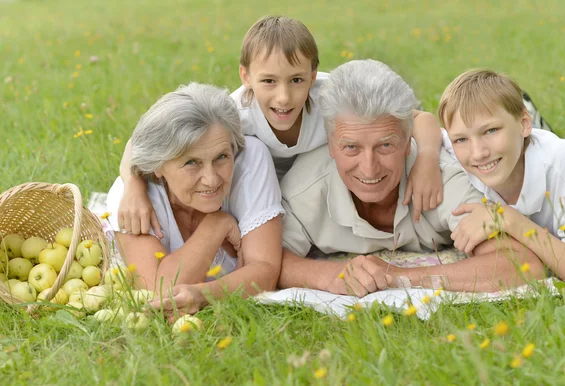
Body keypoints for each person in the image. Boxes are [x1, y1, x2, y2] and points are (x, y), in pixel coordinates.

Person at [116, 16, 445, 238]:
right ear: (245, 77)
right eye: (268, 81)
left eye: (297, 80)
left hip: (322, 191)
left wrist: (427, 160)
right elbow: (140, 141)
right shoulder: (234, 113)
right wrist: (133, 186)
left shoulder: (334, 97)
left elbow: (419, 119)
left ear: (314, 76)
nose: (284, 97)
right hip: (264, 195)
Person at [278, 60, 547, 296]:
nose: (369, 168)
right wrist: (331, 276)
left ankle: (527, 112)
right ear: (331, 145)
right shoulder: (303, 188)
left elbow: (521, 264)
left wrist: (398, 277)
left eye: (386, 146)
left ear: (408, 142)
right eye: (351, 147)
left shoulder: (443, 174)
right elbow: (268, 260)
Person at [105, 83, 284, 315]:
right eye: (191, 162)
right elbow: (161, 293)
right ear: (158, 166)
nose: (211, 180)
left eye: (221, 157)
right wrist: (216, 224)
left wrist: (204, 294)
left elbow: (266, 271)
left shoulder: (251, 160)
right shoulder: (133, 200)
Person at [438, 69, 565, 280]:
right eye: (461, 139)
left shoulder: (563, 165)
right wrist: (424, 157)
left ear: (524, 124)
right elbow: (417, 121)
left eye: (491, 130)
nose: (478, 153)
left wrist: (507, 218)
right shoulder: (454, 148)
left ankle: (534, 120)